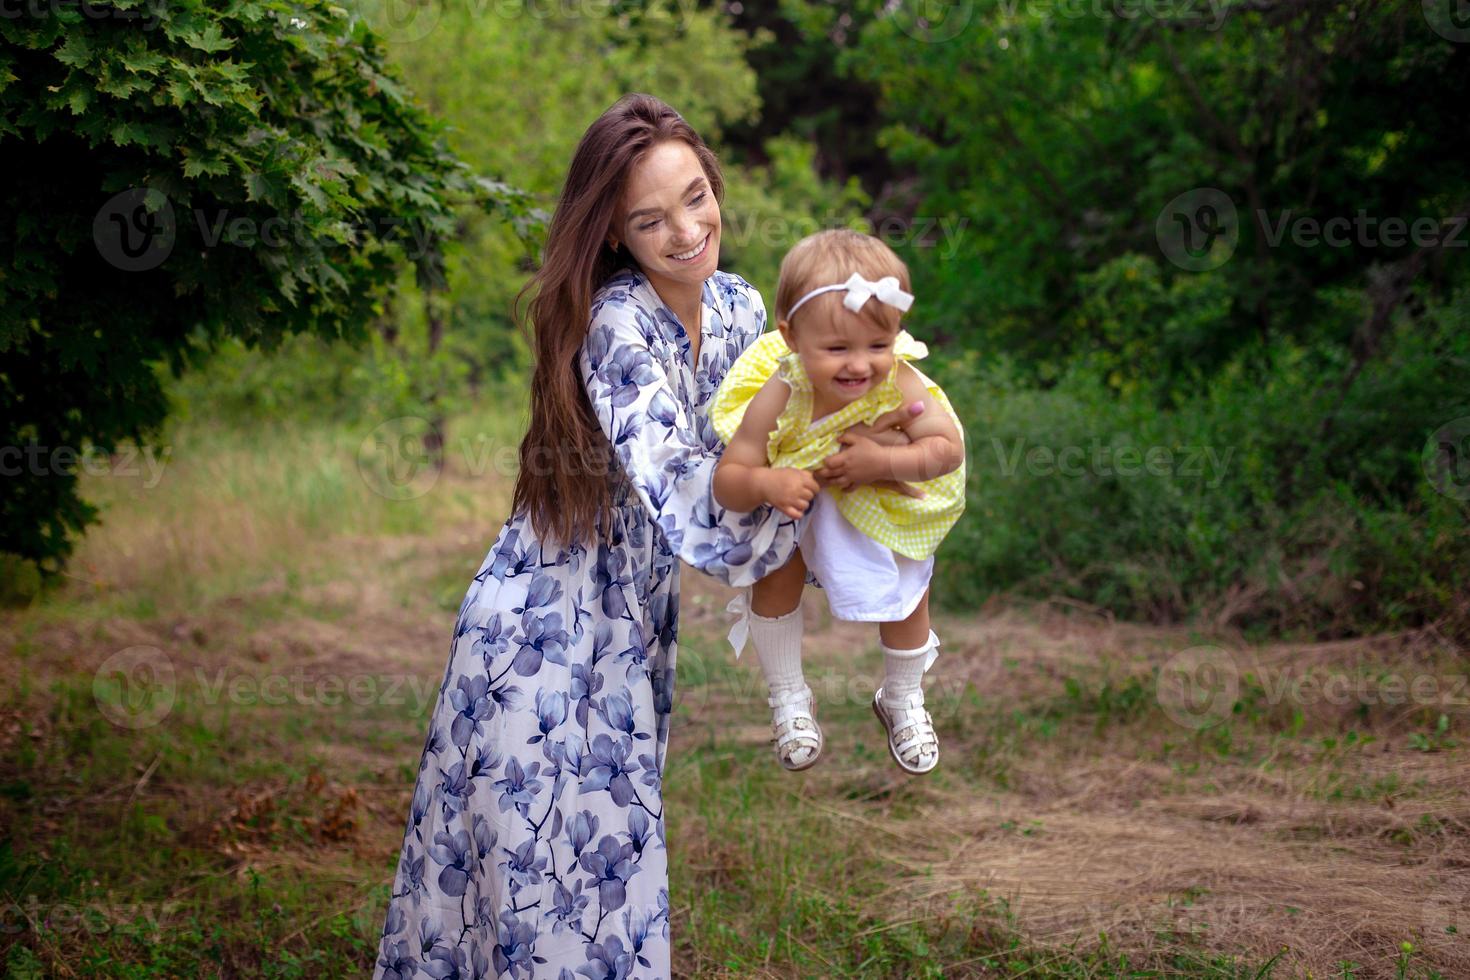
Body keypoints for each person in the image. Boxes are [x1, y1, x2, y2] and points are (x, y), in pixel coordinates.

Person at [373, 96, 913, 979]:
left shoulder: (744, 311)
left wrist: (894, 470)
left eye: (697, 197)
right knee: (549, 894)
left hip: (631, 628)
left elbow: (824, 403)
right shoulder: (617, 324)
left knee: (605, 877)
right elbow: (690, 500)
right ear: (617, 234)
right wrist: (803, 506)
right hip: (537, 638)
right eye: (651, 219)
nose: (687, 230)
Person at [710, 229, 967, 776]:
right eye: (837, 349)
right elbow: (729, 477)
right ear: (792, 337)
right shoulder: (782, 388)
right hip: (800, 497)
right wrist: (766, 484)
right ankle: (789, 697)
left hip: (877, 496)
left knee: (908, 587)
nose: (859, 365)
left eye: (877, 345)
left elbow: (948, 449)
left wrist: (884, 462)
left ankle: (901, 695)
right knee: (775, 566)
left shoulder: (901, 378)